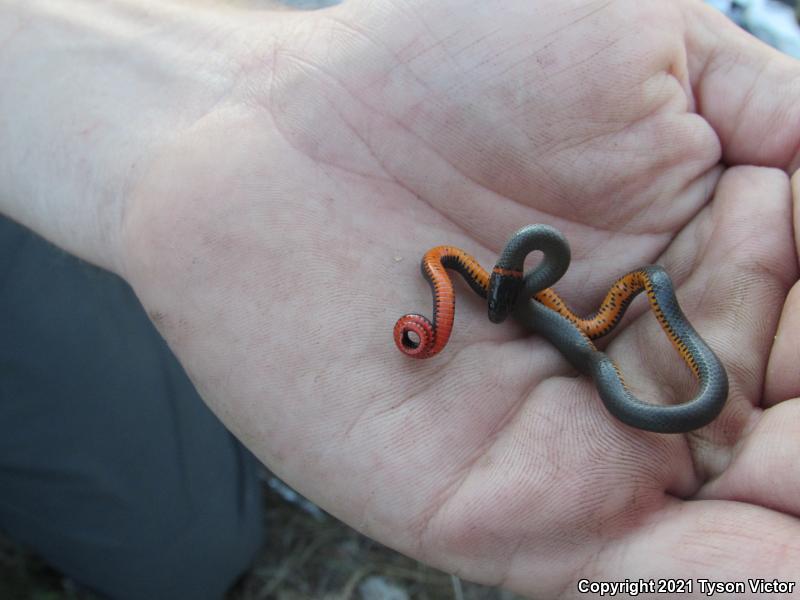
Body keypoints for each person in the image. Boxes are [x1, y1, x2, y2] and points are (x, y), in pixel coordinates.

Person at [1, 0, 799, 598]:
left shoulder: (501, 282)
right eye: (420, 334)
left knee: (181, 555)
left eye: (419, 333)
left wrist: (238, 80)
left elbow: (499, 287)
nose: (416, 337)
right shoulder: (488, 281)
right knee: (176, 558)